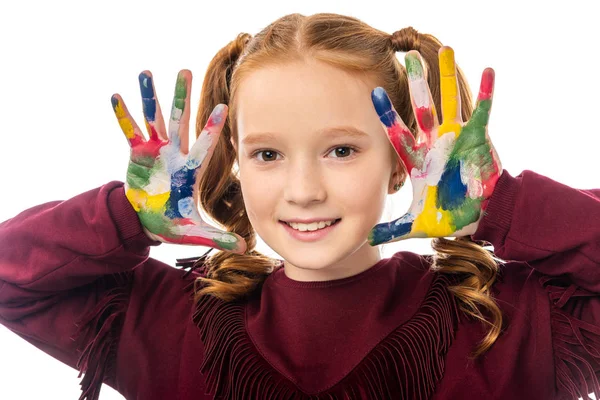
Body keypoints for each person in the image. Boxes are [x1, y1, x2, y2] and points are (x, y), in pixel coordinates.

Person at [0, 11, 598, 400]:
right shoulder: (169, 323)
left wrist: (507, 206)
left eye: (341, 150)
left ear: (398, 156)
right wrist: (125, 217)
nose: (303, 190)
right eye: (267, 155)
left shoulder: (505, 324)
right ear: (231, 158)